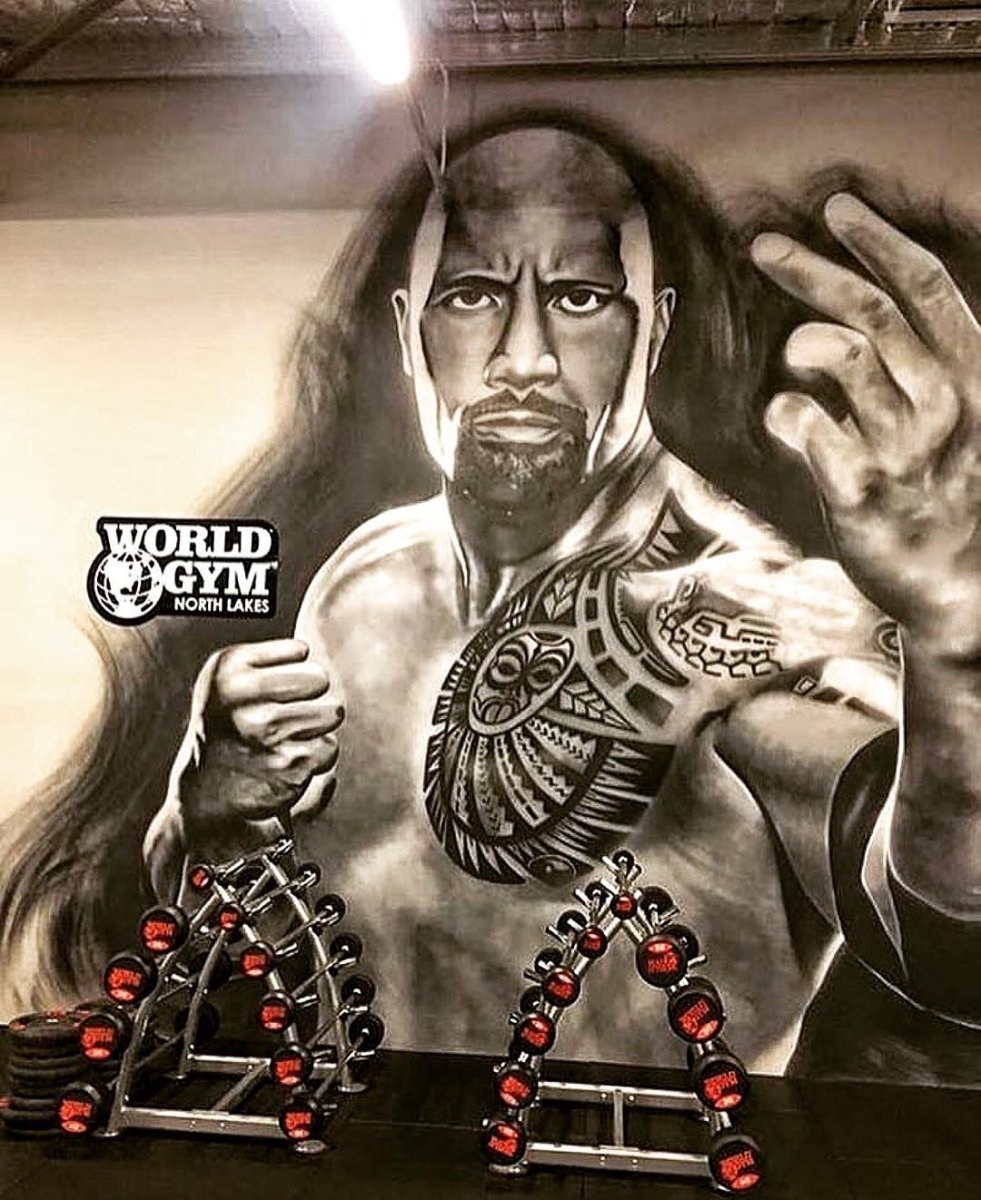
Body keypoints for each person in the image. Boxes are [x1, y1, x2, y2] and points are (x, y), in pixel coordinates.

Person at [140, 119, 981, 1077]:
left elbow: (952, 945)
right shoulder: (363, 581)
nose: (524, 357)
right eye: (472, 295)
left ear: (653, 329)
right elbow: (230, 938)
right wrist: (206, 813)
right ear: (410, 331)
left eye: (580, 298)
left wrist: (956, 653)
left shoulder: (756, 618)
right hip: (358, 1138)